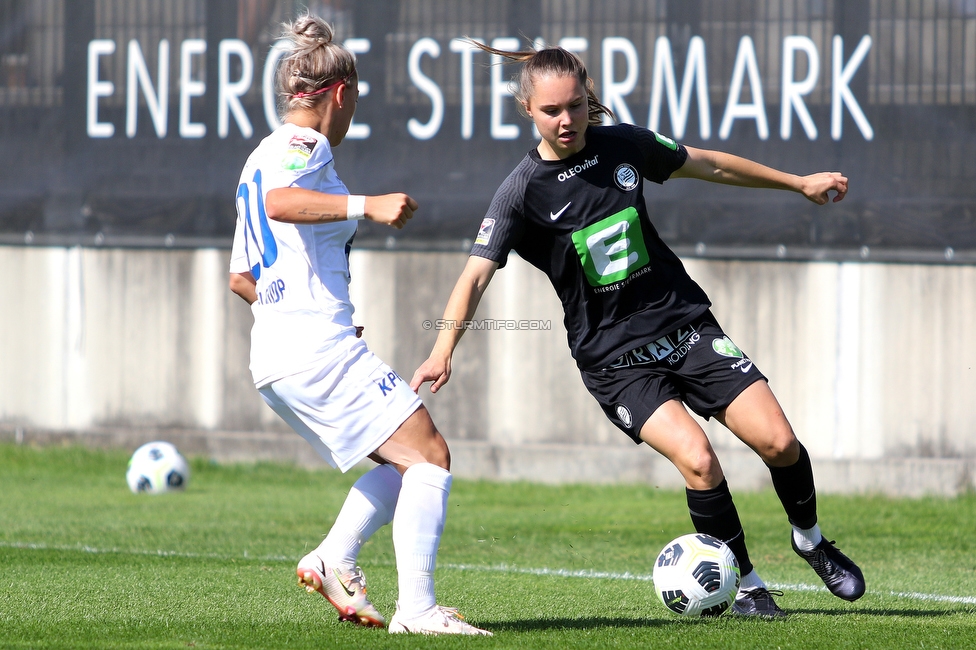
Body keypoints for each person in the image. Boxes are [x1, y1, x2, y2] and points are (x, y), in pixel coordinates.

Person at [410, 43, 865, 618]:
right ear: (527, 108)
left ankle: (811, 540)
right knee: (698, 459)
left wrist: (797, 183)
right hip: (614, 361)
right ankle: (747, 585)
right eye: (552, 110)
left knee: (778, 442)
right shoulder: (520, 193)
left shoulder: (622, 145)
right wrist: (443, 347)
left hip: (685, 325)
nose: (567, 119)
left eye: (575, 105)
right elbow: (475, 276)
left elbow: (710, 164)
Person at [228, 15, 490, 636]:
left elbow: (242, 278)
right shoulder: (306, 147)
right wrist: (368, 205)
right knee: (429, 456)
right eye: (355, 101)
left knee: (407, 460)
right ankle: (417, 611)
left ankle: (331, 558)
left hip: (279, 355)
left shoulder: (255, 158)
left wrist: (310, 314)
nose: (351, 117)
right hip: (312, 349)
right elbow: (281, 205)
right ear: (340, 94)